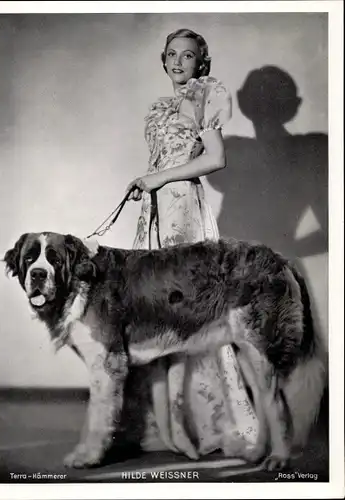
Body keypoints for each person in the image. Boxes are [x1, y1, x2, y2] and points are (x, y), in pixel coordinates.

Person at [126, 29, 261, 461]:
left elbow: (215, 158)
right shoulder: (160, 107)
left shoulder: (205, 96)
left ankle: (220, 425)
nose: (179, 62)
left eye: (188, 55)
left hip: (185, 215)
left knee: (197, 318)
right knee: (159, 316)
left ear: (201, 62)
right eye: (172, 55)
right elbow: (161, 161)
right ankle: (169, 426)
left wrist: (159, 178)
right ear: (162, 60)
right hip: (156, 215)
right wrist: (147, 185)